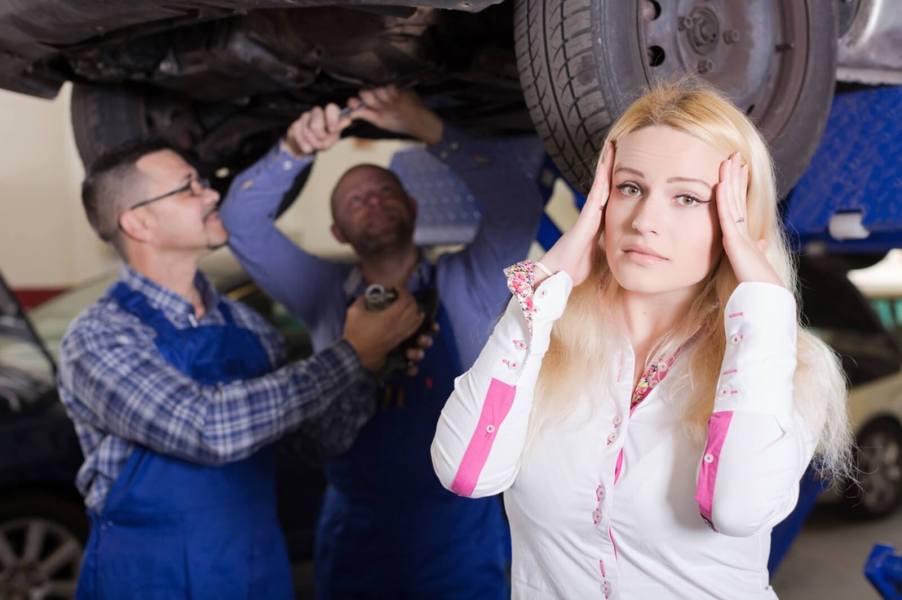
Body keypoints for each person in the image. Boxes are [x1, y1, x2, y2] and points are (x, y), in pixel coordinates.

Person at [431, 79, 852, 599]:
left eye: (688, 198)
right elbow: (467, 474)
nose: (646, 220)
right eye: (630, 188)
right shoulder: (543, 338)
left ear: (737, 223)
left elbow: (737, 508)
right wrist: (538, 294)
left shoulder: (785, 365)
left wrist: (762, 304)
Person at [58, 140, 426, 599]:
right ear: (139, 222)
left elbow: (315, 443)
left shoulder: (250, 327)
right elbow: (208, 428)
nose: (211, 194)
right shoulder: (99, 336)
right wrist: (350, 354)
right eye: (188, 187)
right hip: (150, 578)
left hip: (253, 569)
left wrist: (374, 364)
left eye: (203, 182)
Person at [220, 85, 546, 598]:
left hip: (456, 532)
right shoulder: (323, 293)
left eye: (383, 192)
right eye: (355, 200)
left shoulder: (471, 282)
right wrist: (295, 151)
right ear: (338, 230)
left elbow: (516, 203)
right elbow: (239, 222)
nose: (372, 202)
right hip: (357, 530)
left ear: (413, 207)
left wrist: (426, 127)